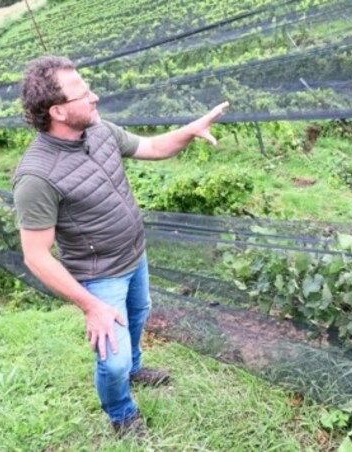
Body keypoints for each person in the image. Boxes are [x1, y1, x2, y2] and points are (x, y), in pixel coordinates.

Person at [13, 55, 228, 437]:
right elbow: (36, 256)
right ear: (58, 110)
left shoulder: (100, 131)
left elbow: (154, 147)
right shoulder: (36, 176)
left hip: (135, 255)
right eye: (83, 93)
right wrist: (91, 305)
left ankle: (135, 369)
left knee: (139, 313)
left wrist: (189, 130)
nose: (95, 97)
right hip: (99, 278)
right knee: (110, 363)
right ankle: (121, 413)